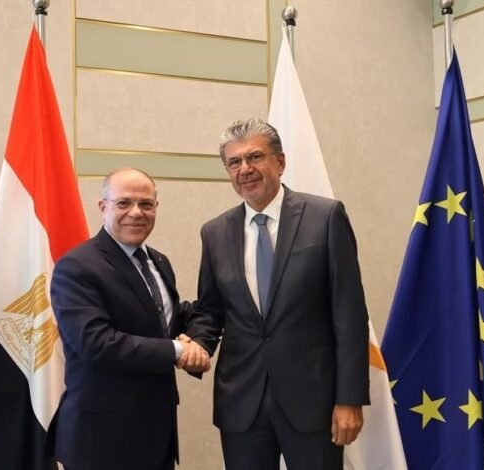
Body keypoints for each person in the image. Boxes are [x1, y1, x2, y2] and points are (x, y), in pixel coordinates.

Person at [186, 118, 370, 470]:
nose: (245, 169)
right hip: (242, 403)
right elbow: (211, 310)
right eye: (234, 162)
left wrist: (350, 399)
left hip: (313, 402)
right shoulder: (214, 232)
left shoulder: (325, 217)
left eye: (255, 157)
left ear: (280, 162)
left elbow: (349, 315)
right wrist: (196, 345)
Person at [50, 168, 209, 470]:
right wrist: (178, 350)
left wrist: (200, 338)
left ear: (156, 208)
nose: (136, 212)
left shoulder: (158, 261)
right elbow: (97, 343)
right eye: (123, 203)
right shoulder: (77, 266)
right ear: (103, 207)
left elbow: (168, 318)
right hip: (102, 442)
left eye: (146, 204)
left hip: (156, 436)